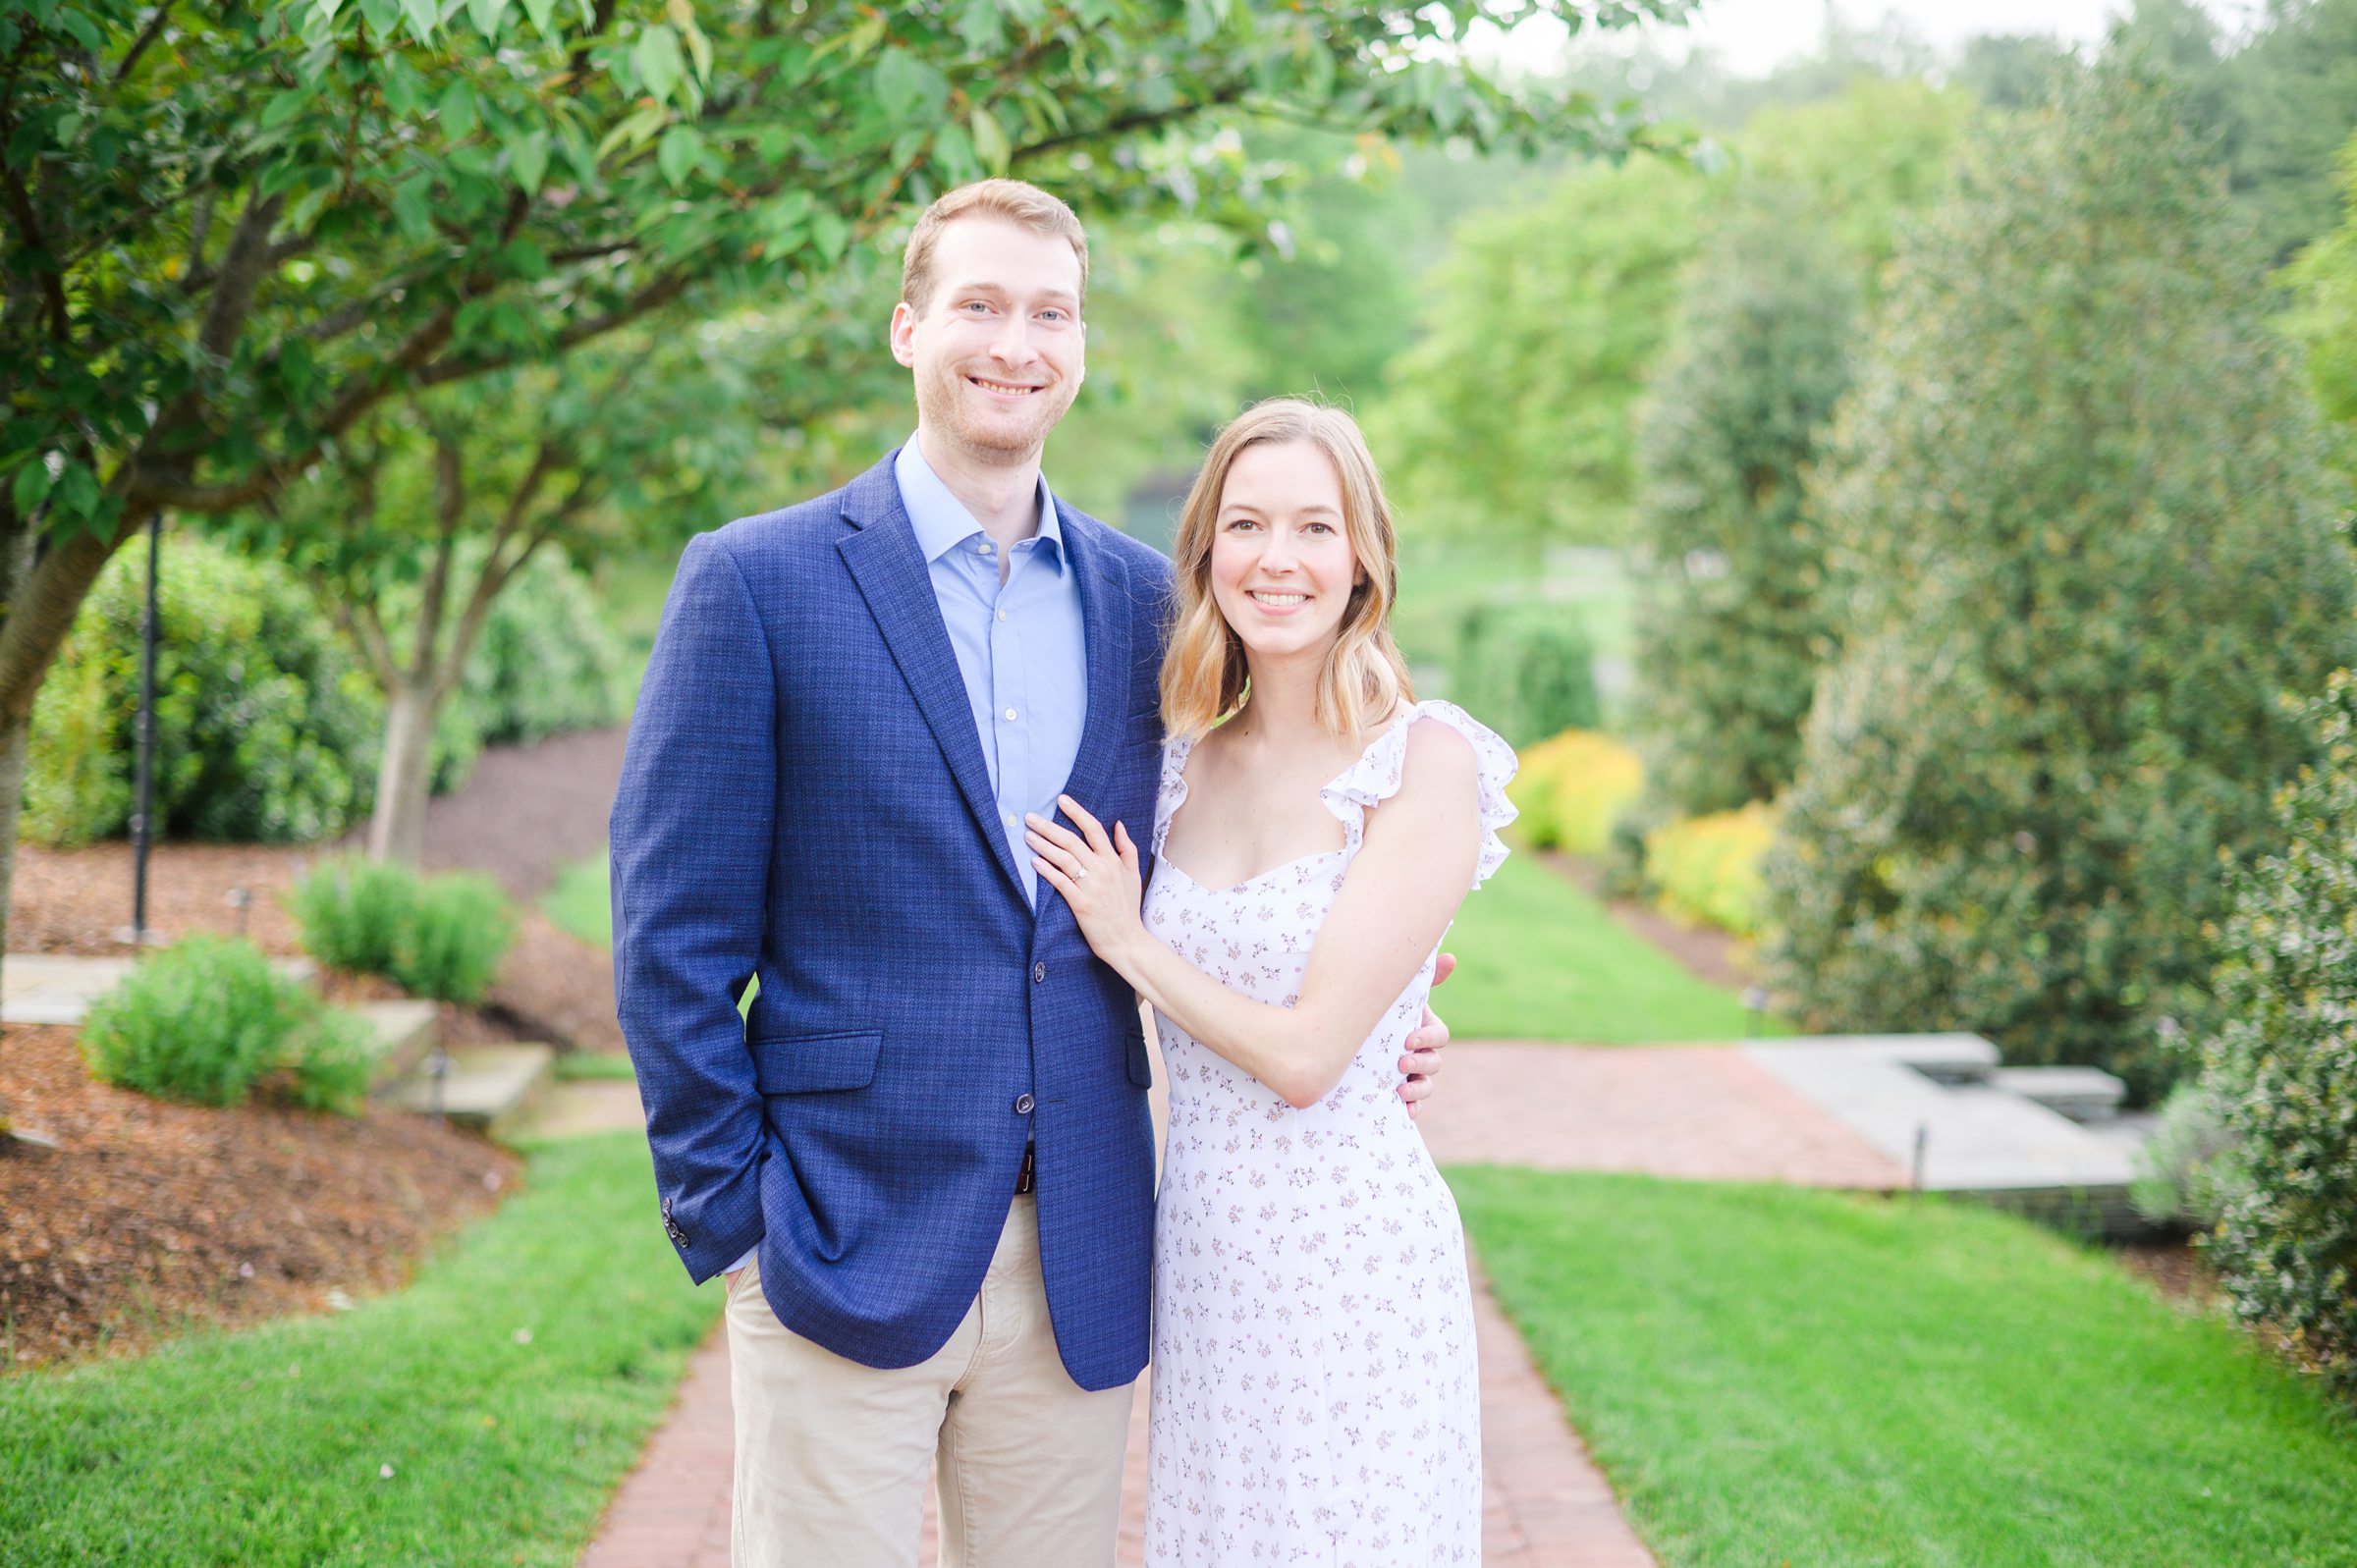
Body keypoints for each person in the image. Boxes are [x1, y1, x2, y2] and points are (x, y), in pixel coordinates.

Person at [607, 181, 1453, 1568]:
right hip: (837, 1233)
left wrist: (1399, 1011)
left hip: (1083, 1254)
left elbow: (1273, 854)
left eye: (1049, 312)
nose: (1016, 342)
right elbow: (670, 938)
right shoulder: (757, 583)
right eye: (980, 306)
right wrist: (738, 1221)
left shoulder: (1152, 614)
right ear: (907, 327)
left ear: (1081, 345)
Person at [1029, 397, 1515, 1565]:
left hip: (1354, 1262)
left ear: (1363, 560)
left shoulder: (1423, 761)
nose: (1278, 559)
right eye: (1246, 526)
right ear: (1206, 554)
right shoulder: (1182, 761)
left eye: (1314, 527)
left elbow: (1306, 1059)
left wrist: (1129, 940)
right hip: (1205, 1256)